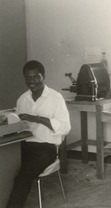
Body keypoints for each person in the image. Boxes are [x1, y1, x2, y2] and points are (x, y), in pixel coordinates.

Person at [7, 60, 71, 208]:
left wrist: (37, 119)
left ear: (43, 76)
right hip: (24, 145)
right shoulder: (23, 99)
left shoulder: (56, 98)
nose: (32, 81)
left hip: (46, 148)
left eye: (36, 76)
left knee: (22, 177)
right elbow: (18, 125)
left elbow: (65, 127)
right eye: (28, 77)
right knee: (4, 168)